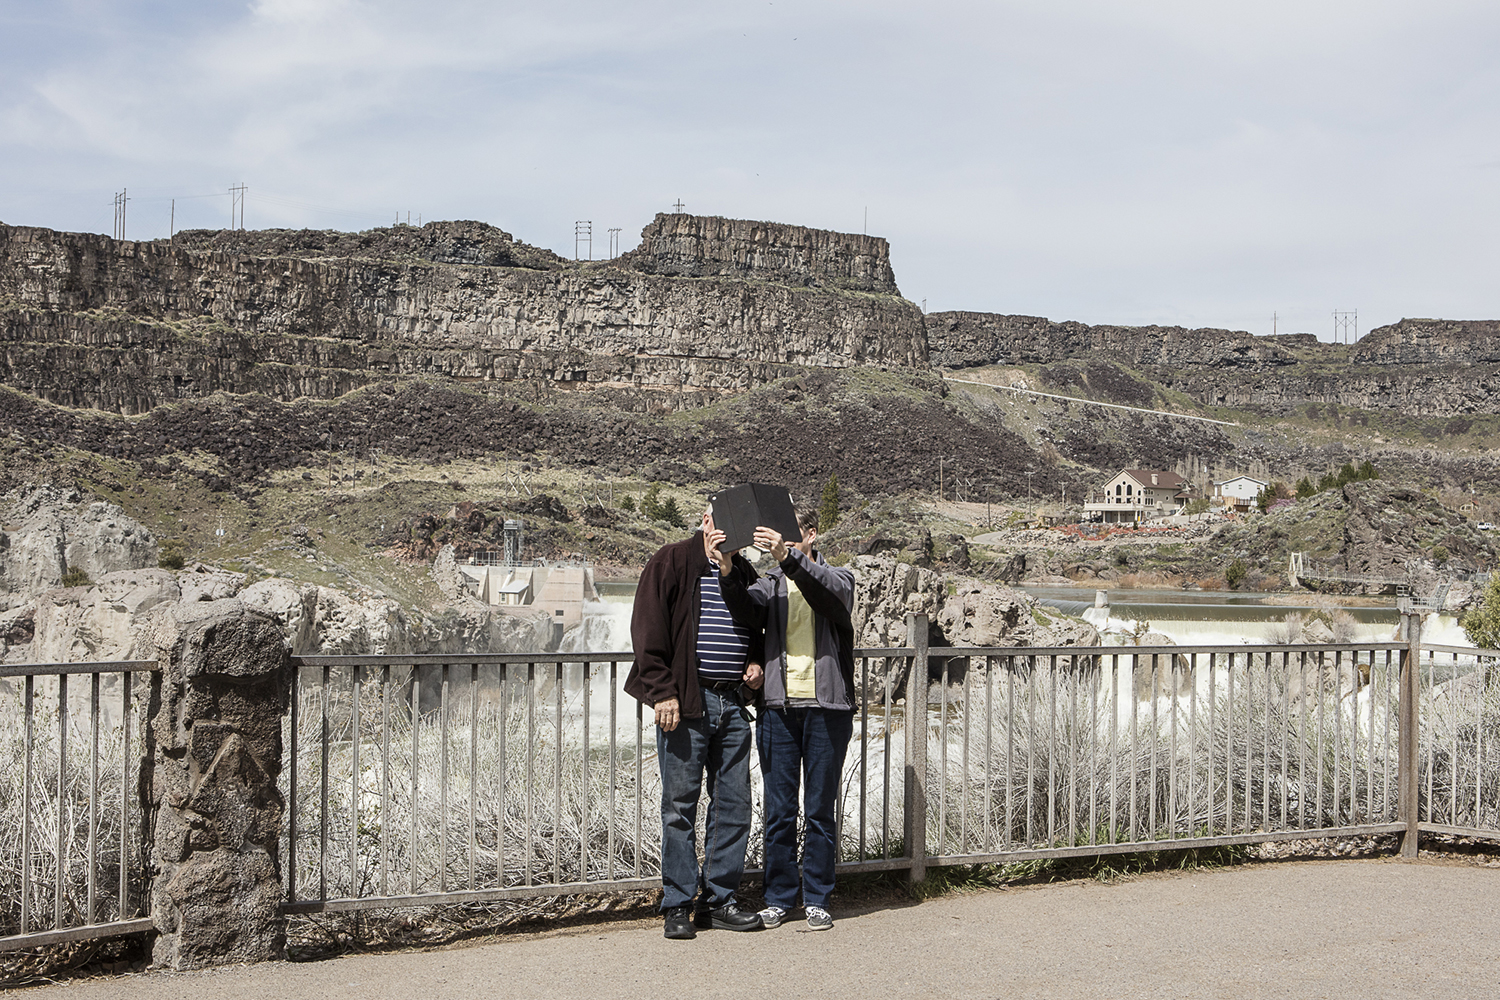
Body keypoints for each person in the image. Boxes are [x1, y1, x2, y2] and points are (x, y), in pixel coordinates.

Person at [625, 508, 766, 940]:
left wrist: (756, 661)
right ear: (706, 520)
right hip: (687, 700)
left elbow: (757, 623)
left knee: (734, 806)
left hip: (733, 703)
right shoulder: (671, 559)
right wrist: (661, 690)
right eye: (720, 522)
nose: (727, 534)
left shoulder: (740, 569)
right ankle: (677, 904)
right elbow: (647, 628)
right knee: (679, 808)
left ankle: (719, 900)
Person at [721, 508, 855, 932]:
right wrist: (727, 571)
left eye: (789, 532)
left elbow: (829, 598)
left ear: (810, 535)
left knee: (819, 810)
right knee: (779, 810)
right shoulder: (770, 583)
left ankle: (817, 897)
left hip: (826, 711)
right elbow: (747, 610)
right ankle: (778, 897)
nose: (779, 539)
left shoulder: (841, 578)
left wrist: (787, 557)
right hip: (779, 710)